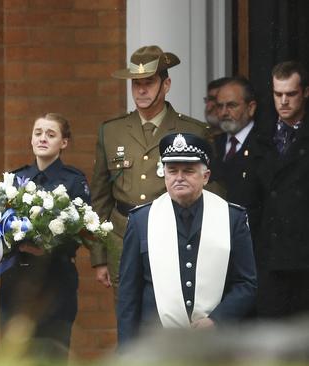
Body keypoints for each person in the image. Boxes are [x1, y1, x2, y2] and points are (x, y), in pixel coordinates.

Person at [116, 133, 257, 347]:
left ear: (206, 176)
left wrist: (216, 320)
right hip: (156, 342)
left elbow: (246, 283)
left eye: (188, 171)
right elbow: (129, 292)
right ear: (164, 174)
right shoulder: (141, 220)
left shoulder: (231, 218)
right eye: (172, 170)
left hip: (214, 342)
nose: (179, 177)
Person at [89, 45, 209, 291]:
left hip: (175, 238)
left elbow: (209, 196)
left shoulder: (194, 131)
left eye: (149, 82)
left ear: (166, 85)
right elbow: (100, 200)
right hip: (122, 240)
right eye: (136, 83)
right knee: (127, 321)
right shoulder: (112, 131)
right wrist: (99, 256)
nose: (141, 90)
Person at [0, 113, 91, 360]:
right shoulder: (15, 179)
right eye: (38, 133)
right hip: (17, 275)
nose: (42, 139)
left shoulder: (73, 181)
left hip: (55, 276)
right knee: (15, 352)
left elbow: (79, 231)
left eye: (51, 134)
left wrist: (46, 246)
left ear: (64, 143)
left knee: (53, 351)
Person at [249, 61, 309, 318]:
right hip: (269, 258)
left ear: (305, 92)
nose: (283, 101)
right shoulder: (260, 136)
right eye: (277, 94)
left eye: (291, 94)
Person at [210, 76, 259, 208]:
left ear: (251, 108)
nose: (224, 112)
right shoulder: (213, 144)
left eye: (232, 105)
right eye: (220, 106)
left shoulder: (265, 144)